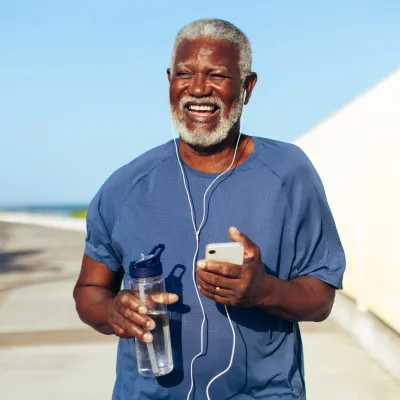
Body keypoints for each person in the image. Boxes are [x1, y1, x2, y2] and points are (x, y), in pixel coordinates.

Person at [73, 18, 346, 400]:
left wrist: (264, 290)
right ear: (170, 80)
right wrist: (112, 312)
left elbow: (321, 299)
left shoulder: (289, 174)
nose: (198, 89)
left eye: (216, 75)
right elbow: (88, 291)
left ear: (247, 87)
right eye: (185, 73)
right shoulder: (125, 187)